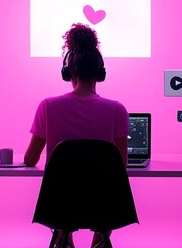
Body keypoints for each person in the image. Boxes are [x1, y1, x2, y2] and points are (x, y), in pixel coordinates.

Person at [24, 23, 129, 248]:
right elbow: (121, 165)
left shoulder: (48, 106)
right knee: (105, 199)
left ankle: (63, 239)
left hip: (60, 205)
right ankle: (99, 242)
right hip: (102, 206)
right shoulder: (117, 110)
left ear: (68, 71)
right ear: (100, 73)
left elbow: (30, 160)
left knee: (64, 206)